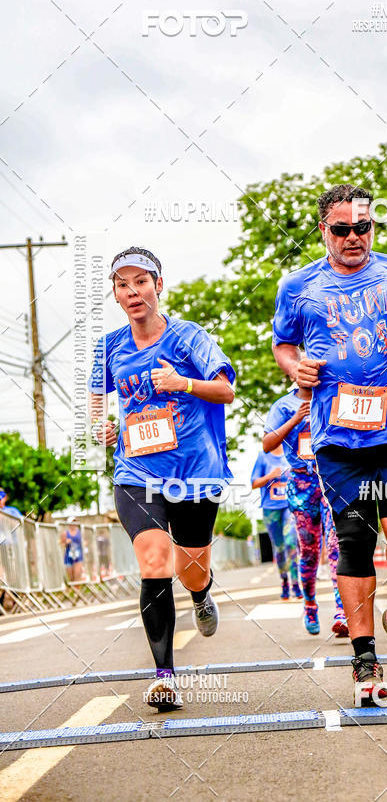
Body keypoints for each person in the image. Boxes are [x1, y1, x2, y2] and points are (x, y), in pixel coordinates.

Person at [272, 184, 387, 702]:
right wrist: (299, 370)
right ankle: (364, 658)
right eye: (342, 229)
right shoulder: (298, 287)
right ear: (324, 231)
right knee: (356, 539)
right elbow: (284, 344)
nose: (353, 237)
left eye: (363, 227)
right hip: (337, 437)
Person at [89, 246, 235, 712]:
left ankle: (201, 591)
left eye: (141, 282)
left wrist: (183, 384)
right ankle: (164, 676)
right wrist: (100, 427)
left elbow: (227, 389)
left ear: (158, 286)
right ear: (114, 293)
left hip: (194, 472)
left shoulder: (189, 337)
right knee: (154, 559)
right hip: (137, 470)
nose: (132, 292)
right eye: (122, 284)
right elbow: (96, 398)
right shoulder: (109, 347)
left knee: (190, 569)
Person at [263, 386, 348, 637]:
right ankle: (309, 604)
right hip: (302, 484)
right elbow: (268, 444)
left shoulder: (333, 393)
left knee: (336, 547)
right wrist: (296, 419)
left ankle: (342, 612)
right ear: (293, 373)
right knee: (309, 552)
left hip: (331, 478)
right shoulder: (283, 406)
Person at [251, 445, 301, 599]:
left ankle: (295, 583)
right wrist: (270, 476)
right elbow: (254, 483)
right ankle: (284, 581)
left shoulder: (290, 453)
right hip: (270, 509)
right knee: (279, 548)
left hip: (289, 507)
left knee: (291, 542)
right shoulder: (263, 456)